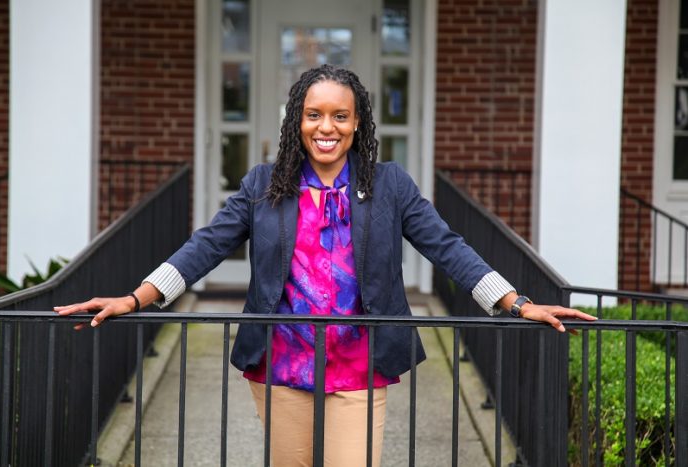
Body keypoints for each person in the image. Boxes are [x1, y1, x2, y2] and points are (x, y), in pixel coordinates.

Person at [54, 64, 596, 467]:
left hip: (358, 365)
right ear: (298, 122)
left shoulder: (390, 186)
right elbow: (206, 246)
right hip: (281, 364)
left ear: (357, 124)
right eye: (314, 115)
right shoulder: (264, 184)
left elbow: (447, 246)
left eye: (340, 116)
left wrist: (516, 302)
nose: (326, 127)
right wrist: (134, 298)